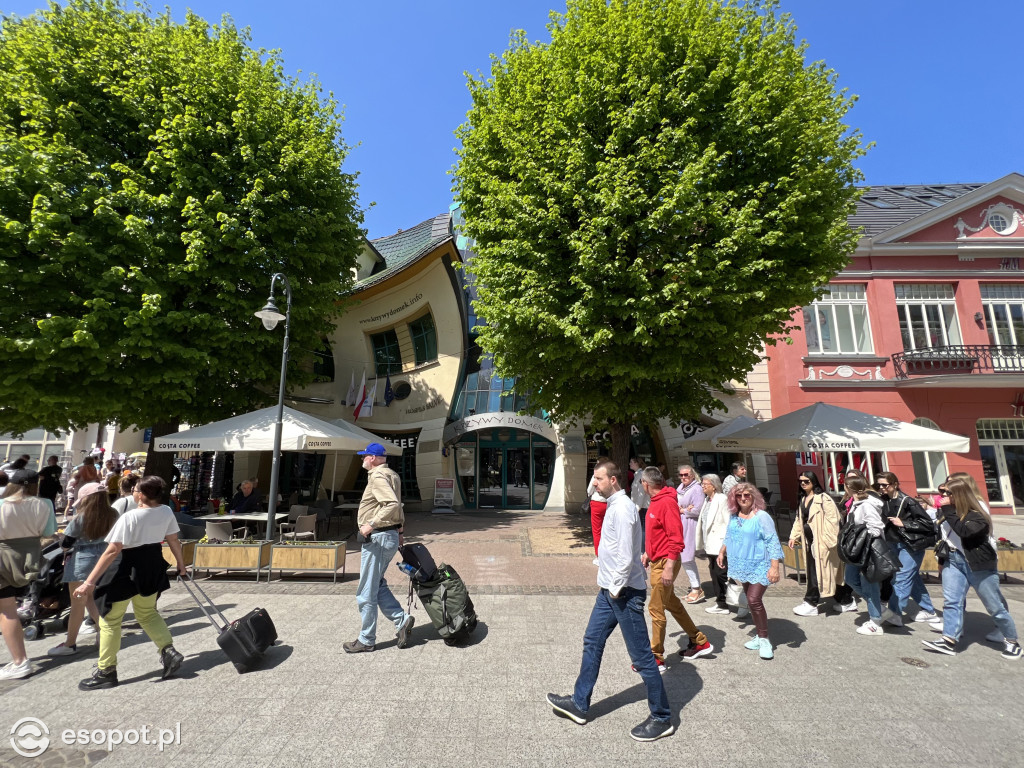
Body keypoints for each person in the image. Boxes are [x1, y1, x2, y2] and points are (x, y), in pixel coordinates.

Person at [546, 461, 675, 742]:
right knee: (592, 640)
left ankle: (662, 716)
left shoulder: (623, 509)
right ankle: (580, 703)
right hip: (610, 591)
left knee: (642, 657)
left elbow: (627, 556)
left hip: (623, 593)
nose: (595, 483)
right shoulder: (614, 506)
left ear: (614, 480)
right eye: (595, 478)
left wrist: (615, 588)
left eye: (599, 479)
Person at [74, 475, 187, 689]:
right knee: (148, 613)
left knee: (110, 620)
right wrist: (181, 565)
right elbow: (173, 539)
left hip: (125, 568)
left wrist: (89, 582)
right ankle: (168, 651)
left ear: (142, 495)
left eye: (135, 489)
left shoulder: (130, 517)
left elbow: (113, 550)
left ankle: (106, 671)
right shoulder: (166, 511)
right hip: (152, 563)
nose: (133, 492)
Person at [922, 478, 1021, 660]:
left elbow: (965, 532)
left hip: (978, 563)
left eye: (946, 492)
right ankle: (949, 639)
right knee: (952, 601)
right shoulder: (947, 513)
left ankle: (1012, 640)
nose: (942, 496)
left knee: (994, 606)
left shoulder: (977, 514)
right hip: (953, 559)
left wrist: (947, 510)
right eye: (941, 491)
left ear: (958, 495)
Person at [343, 442, 413, 653]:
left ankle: (366, 639)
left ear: (372, 458)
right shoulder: (392, 474)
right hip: (388, 535)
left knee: (365, 590)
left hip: (378, 537)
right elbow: (398, 505)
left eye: (364, 456)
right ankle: (401, 620)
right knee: (377, 584)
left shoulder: (378, 476)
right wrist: (400, 532)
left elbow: (391, 504)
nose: (362, 459)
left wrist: (369, 525)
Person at [641, 466, 712, 668]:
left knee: (656, 608)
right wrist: (648, 552)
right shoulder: (657, 501)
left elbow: (675, 538)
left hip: (665, 562)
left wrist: (669, 566)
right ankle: (699, 641)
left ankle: (656, 657)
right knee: (671, 603)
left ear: (646, 484)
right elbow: (659, 533)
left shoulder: (665, 503)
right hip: (658, 559)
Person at [47, 483, 119, 657]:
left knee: (78, 603)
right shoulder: (114, 514)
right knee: (91, 599)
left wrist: (59, 539)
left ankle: (70, 643)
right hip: (105, 558)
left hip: (83, 560)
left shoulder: (81, 517)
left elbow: (66, 544)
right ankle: (103, 632)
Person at [0, 470, 56, 679]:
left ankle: (20, 661)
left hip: (3, 556)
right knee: (8, 608)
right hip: (29, 559)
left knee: (7, 611)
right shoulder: (45, 504)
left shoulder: (2, 504)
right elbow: (49, 532)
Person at [718, 483, 783, 659]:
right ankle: (759, 635)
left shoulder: (762, 516)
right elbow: (730, 535)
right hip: (741, 563)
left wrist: (774, 567)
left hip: (760, 564)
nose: (743, 499)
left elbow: (773, 541)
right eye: (739, 496)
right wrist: (722, 551)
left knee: (754, 600)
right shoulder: (734, 516)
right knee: (750, 601)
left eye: (747, 495)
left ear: (754, 496)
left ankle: (764, 639)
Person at [877, 472, 938, 626]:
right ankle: (929, 610)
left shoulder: (908, 501)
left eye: (885, 485)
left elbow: (928, 524)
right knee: (912, 578)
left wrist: (904, 523)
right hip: (893, 543)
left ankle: (894, 613)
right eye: (880, 485)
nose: (882, 488)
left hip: (910, 545)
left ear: (895, 484)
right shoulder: (884, 501)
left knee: (902, 578)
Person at [789, 471, 846, 617]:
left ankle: (811, 602)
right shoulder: (803, 498)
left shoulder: (823, 498)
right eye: (801, 481)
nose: (803, 484)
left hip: (822, 542)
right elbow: (798, 519)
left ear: (814, 481)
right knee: (817, 571)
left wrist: (828, 541)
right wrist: (793, 536)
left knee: (821, 572)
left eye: (806, 481)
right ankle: (845, 599)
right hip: (809, 541)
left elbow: (833, 520)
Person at [841, 476, 888, 636]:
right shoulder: (856, 503)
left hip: (866, 550)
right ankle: (878, 608)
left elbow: (876, 527)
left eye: (845, 486)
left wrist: (863, 540)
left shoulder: (867, 504)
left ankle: (875, 621)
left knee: (869, 584)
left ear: (849, 487)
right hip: (857, 549)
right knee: (850, 578)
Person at [696, 474, 732, 615]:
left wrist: (725, 545)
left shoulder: (722, 499)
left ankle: (739, 601)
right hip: (710, 544)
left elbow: (728, 522)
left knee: (722, 574)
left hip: (719, 543)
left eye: (706, 483)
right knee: (716, 574)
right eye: (702, 484)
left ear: (714, 485)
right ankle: (722, 603)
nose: (703, 486)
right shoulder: (707, 500)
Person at [675, 464, 704, 603]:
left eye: (686, 474)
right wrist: (684, 508)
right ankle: (695, 586)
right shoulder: (680, 488)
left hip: (691, 525)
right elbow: (676, 504)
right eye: (681, 475)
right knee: (683, 556)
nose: (683, 477)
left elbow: (698, 510)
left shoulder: (696, 489)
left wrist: (684, 510)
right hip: (681, 523)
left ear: (692, 475)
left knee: (687, 557)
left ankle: (696, 588)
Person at [586, 456, 611, 562]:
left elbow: (589, 490)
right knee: (608, 530)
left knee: (597, 531)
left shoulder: (596, 475)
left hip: (597, 503)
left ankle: (599, 556)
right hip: (608, 502)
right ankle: (608, 554)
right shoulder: (610, 475)